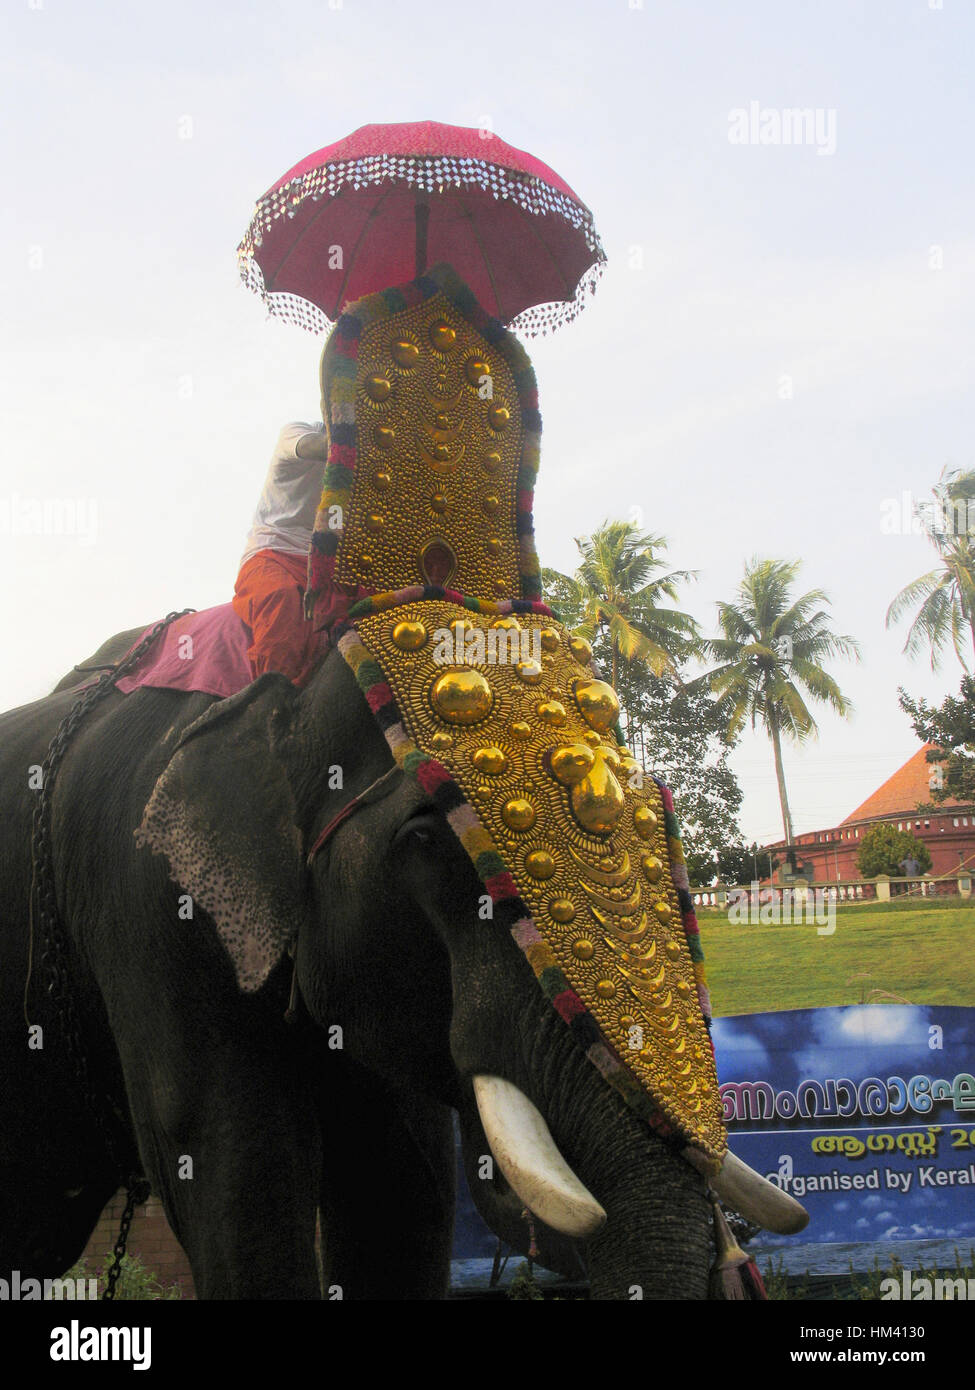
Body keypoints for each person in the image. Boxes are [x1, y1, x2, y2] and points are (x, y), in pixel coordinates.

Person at [232, 422, 328, 688]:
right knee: (281, 599)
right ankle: (268, 704)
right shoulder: (297, 433)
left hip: (324, 566)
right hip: (271, 554)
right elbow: (321, 447)